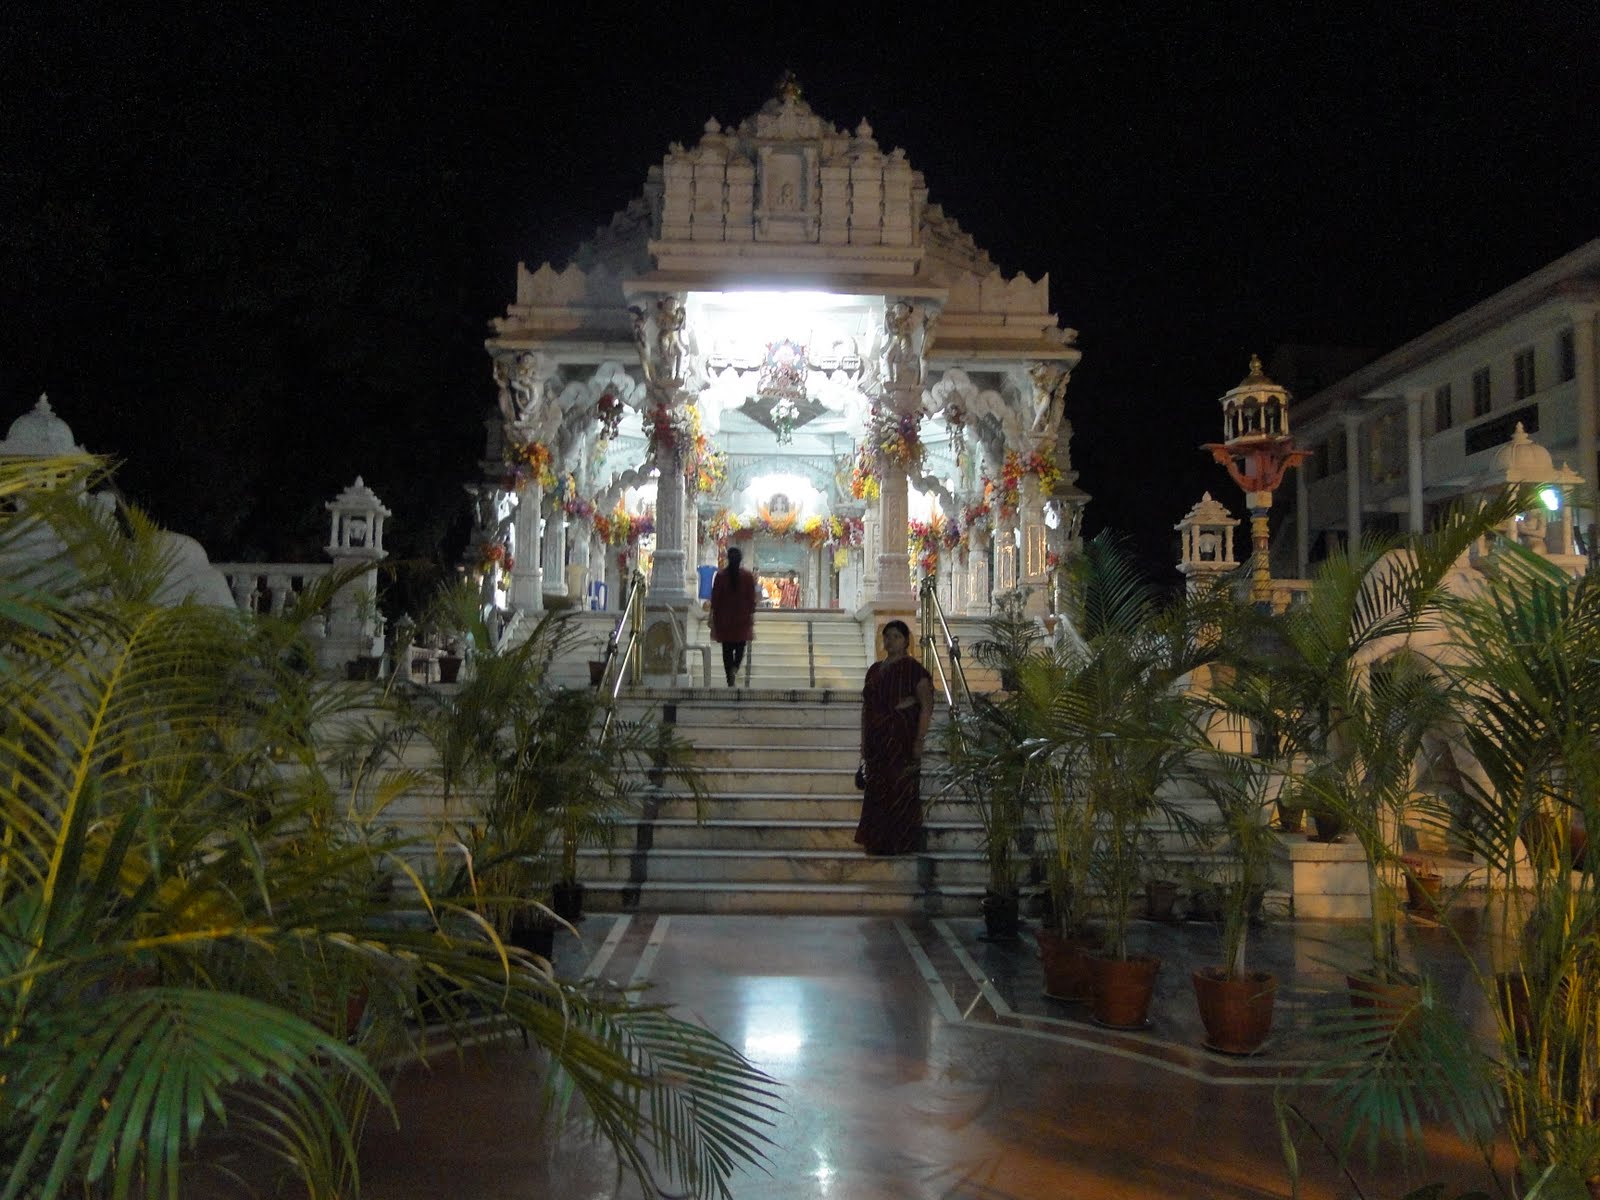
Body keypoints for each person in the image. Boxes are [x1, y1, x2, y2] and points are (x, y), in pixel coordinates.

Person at [856, 620, 934, 856]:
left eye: (896, 636)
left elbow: (926, 705)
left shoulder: (914, 670)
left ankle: (902, 842)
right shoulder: (874, 670)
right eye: (887, 636)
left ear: (906, 641)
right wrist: (864, 741)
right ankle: (877, 841)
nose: (890, 641)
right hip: (877, 739)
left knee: (901, 788)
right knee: (878, 789)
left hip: (901, 739)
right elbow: (866, 707)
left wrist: (919, 740)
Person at [708, 546, 757, 687]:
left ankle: (730, 679)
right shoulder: (747, 577)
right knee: (740, 646)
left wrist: (711, 616)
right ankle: (735, 668)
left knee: (727, 649)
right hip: (742, 618)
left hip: (724, 619)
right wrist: (751, 616)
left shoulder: (721, 576)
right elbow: (751, 599)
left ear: (728, 559)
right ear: (740, 560)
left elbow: (715, 599)